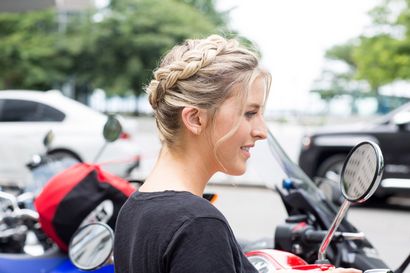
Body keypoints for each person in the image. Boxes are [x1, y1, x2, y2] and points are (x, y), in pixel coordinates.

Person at [114, 34, 362, 273]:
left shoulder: (134, 208)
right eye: (250, 113)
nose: (262, 131)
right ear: (195, 118)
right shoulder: (198, 224)